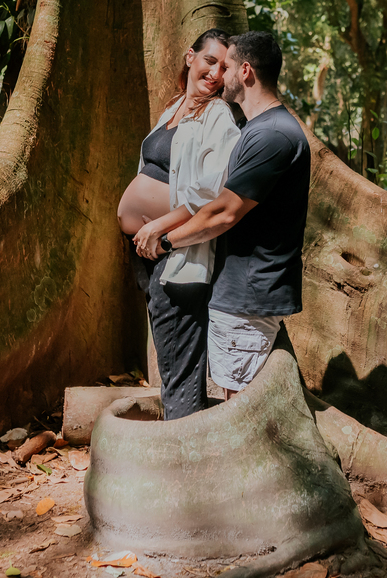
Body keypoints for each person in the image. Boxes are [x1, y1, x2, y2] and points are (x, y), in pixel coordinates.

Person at [139, 30, 310, 398]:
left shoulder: (273, 135)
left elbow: (222, 213)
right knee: (238, 405)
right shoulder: (258, 129)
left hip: (247, 297)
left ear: (245, 71)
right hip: (238, 293)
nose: (220, 76)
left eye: (227, 66)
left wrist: (167, 241)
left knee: (241, 410)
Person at [117, 29, 241, 419]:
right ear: (190, 57)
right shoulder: (173, 107)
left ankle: (186, 461)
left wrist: (160, 229)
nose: (215, 73)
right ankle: (185, 451)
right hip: (148, 254)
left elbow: (210, 193)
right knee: (171, 361)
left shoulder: (218, 115)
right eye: (209, 61)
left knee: (181, 369)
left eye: (224, 67)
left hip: (178, 253)